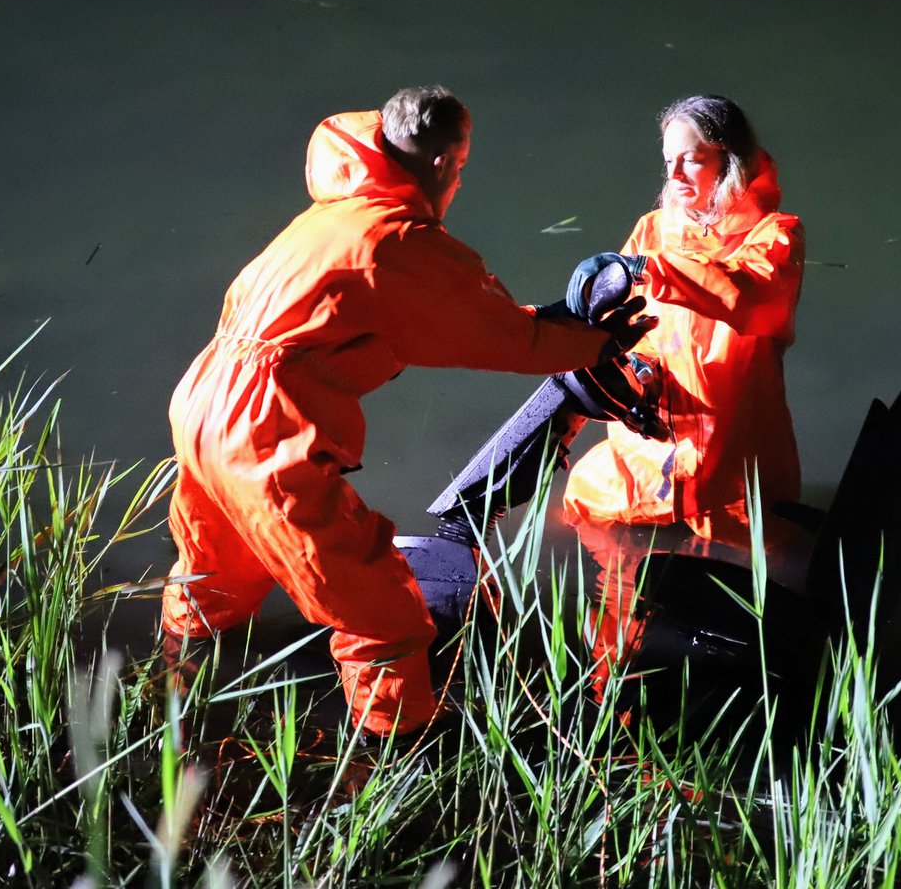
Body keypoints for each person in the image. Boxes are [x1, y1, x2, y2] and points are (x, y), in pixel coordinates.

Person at [160, 86, 652, 739]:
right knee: (381, 615)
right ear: (449, 163)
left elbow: (467, 322)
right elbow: (505, 339)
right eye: (462, 170)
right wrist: (601, 341)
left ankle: (168, 693)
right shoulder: (398, 239)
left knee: (213, 566)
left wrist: (556, 325)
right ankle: (392, 757)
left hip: (204, 401)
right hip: (265, 431)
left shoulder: (332, 215)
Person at [562, 95, 805, 546]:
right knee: (582, 507)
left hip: (730, 451)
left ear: (730, 162)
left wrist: (645, 268)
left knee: (757, 550)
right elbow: (637, 325)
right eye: (668, 160)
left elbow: (748, 292)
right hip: (656, 439)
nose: (674, 176)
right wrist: (638, 377)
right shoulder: (654, 229)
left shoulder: (776, 235)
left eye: (691, 161)